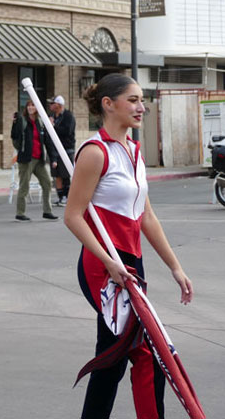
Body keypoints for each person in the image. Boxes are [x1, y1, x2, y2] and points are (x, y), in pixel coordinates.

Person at [65, 73, 193, 419]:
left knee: (114, 357)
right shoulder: (95, 153)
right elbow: (73, 216)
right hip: (102, 266)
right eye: (133, 100)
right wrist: (109, 262)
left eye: (142, 99)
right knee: (145, 353)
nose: (142, 107)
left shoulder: (134, 150)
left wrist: (175, 267)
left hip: (132, 263)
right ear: (109, 104)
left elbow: (146, 217)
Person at [11, 99, 57, 222]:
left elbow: (47, 141)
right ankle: (20, 213)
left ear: (37, 108)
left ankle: (47, 211)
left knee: (47, 183)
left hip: (39, 159)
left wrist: (53, 159)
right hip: (26, 159)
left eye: (33, 105)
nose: (31, 107)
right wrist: (14, 123)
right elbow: (15, 136)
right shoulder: (23, 121)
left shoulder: (40, 122)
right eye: (28, 105)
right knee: (24, 186)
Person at [48, 94, 76, 206]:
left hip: (66, 149)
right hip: (54, 150)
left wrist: (53, 126)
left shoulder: (68, 116)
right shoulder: (53, 116)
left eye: (52, 103)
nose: (50, 106)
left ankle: (67, 197)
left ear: (58, 105)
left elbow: (67, 131)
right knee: (57, 175)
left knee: (65, 174)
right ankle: (60, 197)